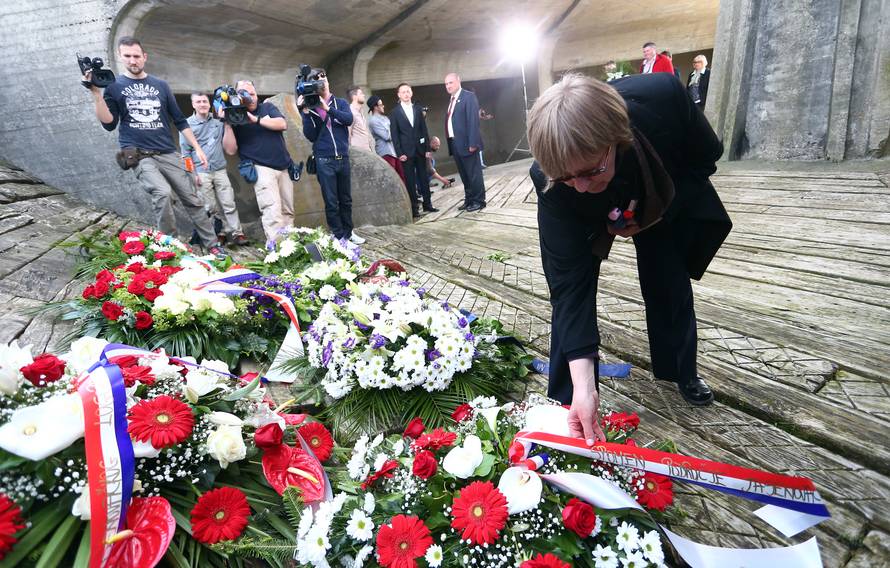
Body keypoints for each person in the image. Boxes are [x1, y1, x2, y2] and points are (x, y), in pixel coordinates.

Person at [527, 73, 731, 444]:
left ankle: (681, 369)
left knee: (668, 274)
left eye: (590, 171)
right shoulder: (553, 180)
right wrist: (586, 388)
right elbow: (569, 287)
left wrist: (652, 213)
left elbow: (704, 161)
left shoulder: (664, 99)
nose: (582, 185)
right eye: (568, 176)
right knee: (569, 295)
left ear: (614, 138)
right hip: (586, 218)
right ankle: (568, 397)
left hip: (658, 188)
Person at [86, 36, 223, 255]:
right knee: (162, 193)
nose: (133, 60)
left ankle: (213, 245)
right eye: (128, 56)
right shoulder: (114, 86)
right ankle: (169, 246)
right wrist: (96, 94)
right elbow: (109, 124)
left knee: (192, 199)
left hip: (168, 152)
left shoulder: (160, 85)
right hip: (139, 154)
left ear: (144, 57)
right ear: (121, 57)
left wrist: (197, 148)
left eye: (136, 56)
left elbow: (179, 120)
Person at [221, 80, 295, 242]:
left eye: (252, 94)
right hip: (260, 167)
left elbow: (282, 124)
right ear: (237, 96)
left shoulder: (267, 108)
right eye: (244, 94)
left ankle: (291, 247)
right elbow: (231, 150)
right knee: (272, 211)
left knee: (287, 210)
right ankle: (278, 251)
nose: (250, 98)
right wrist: (227, 123)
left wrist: (256, 120)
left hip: (283, 166)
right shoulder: (235, 115)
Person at [299, 69, 364, 244]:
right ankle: (339, 235)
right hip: (324, 159)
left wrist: (327, 108)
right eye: (316, 79)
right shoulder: (310, 106)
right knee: (331, 201)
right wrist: (305, 113)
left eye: (323, 77)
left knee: (346, 199)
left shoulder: (340, 102)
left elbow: (348, 119)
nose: (321, 81)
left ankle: (349, 232)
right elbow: (311, 135)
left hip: (342, 157)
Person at [181, 92, 248, 247]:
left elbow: (229, 139)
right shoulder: (186, 125)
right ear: (193, 105)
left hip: (220, 170)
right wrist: (192, 174)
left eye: (205, 101)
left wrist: (226, 118)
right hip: (201, 172)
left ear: (209, 103)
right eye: (198, 101)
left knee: (229, 202)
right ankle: (221, 232)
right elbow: (185, 154)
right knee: (210, 206)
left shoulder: (218, 123)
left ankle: (237, 233)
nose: (202, 104)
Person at [390, 83, 437, 216]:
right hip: (406, 153)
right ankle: (414, 209)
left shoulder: (418, 109)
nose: (406, 94)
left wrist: (427, 148)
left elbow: (424, 129)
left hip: (421, 150)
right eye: (403, 92)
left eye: (408, 91)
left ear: (411, 93)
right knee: (410, 181)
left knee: (424, 178)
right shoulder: (394, 112)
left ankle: (428, 205)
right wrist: (399, 153)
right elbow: (395, 134)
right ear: (399, 95)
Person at [444, 73, 486, 211]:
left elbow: (473, 121)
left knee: (474, 174)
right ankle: (469, 199)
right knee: (464, 174)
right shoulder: (452, 100)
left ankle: (479, 201)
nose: (448, 86)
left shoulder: (468, 97)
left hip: (468, 144)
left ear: (458, 81)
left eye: (451, 82)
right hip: (455, 143)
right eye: (446, 84)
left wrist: (473, 143)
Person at [367, 95, 408, 188]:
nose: (383, 106)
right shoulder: (373, 121)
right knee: (393, 180)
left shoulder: (385, 118)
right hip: (386, 153)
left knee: (402, 178)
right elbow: (387, 136)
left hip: (394, 152)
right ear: (375, 107)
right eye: (381, 104)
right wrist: (394, 128)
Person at [346, 86, 375, 153]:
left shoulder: (361, 112)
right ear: (354, 96)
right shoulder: (350, 112)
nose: (364, 95)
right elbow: (348, 135)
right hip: (359, 154)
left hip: (367, 153)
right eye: (361, 93)